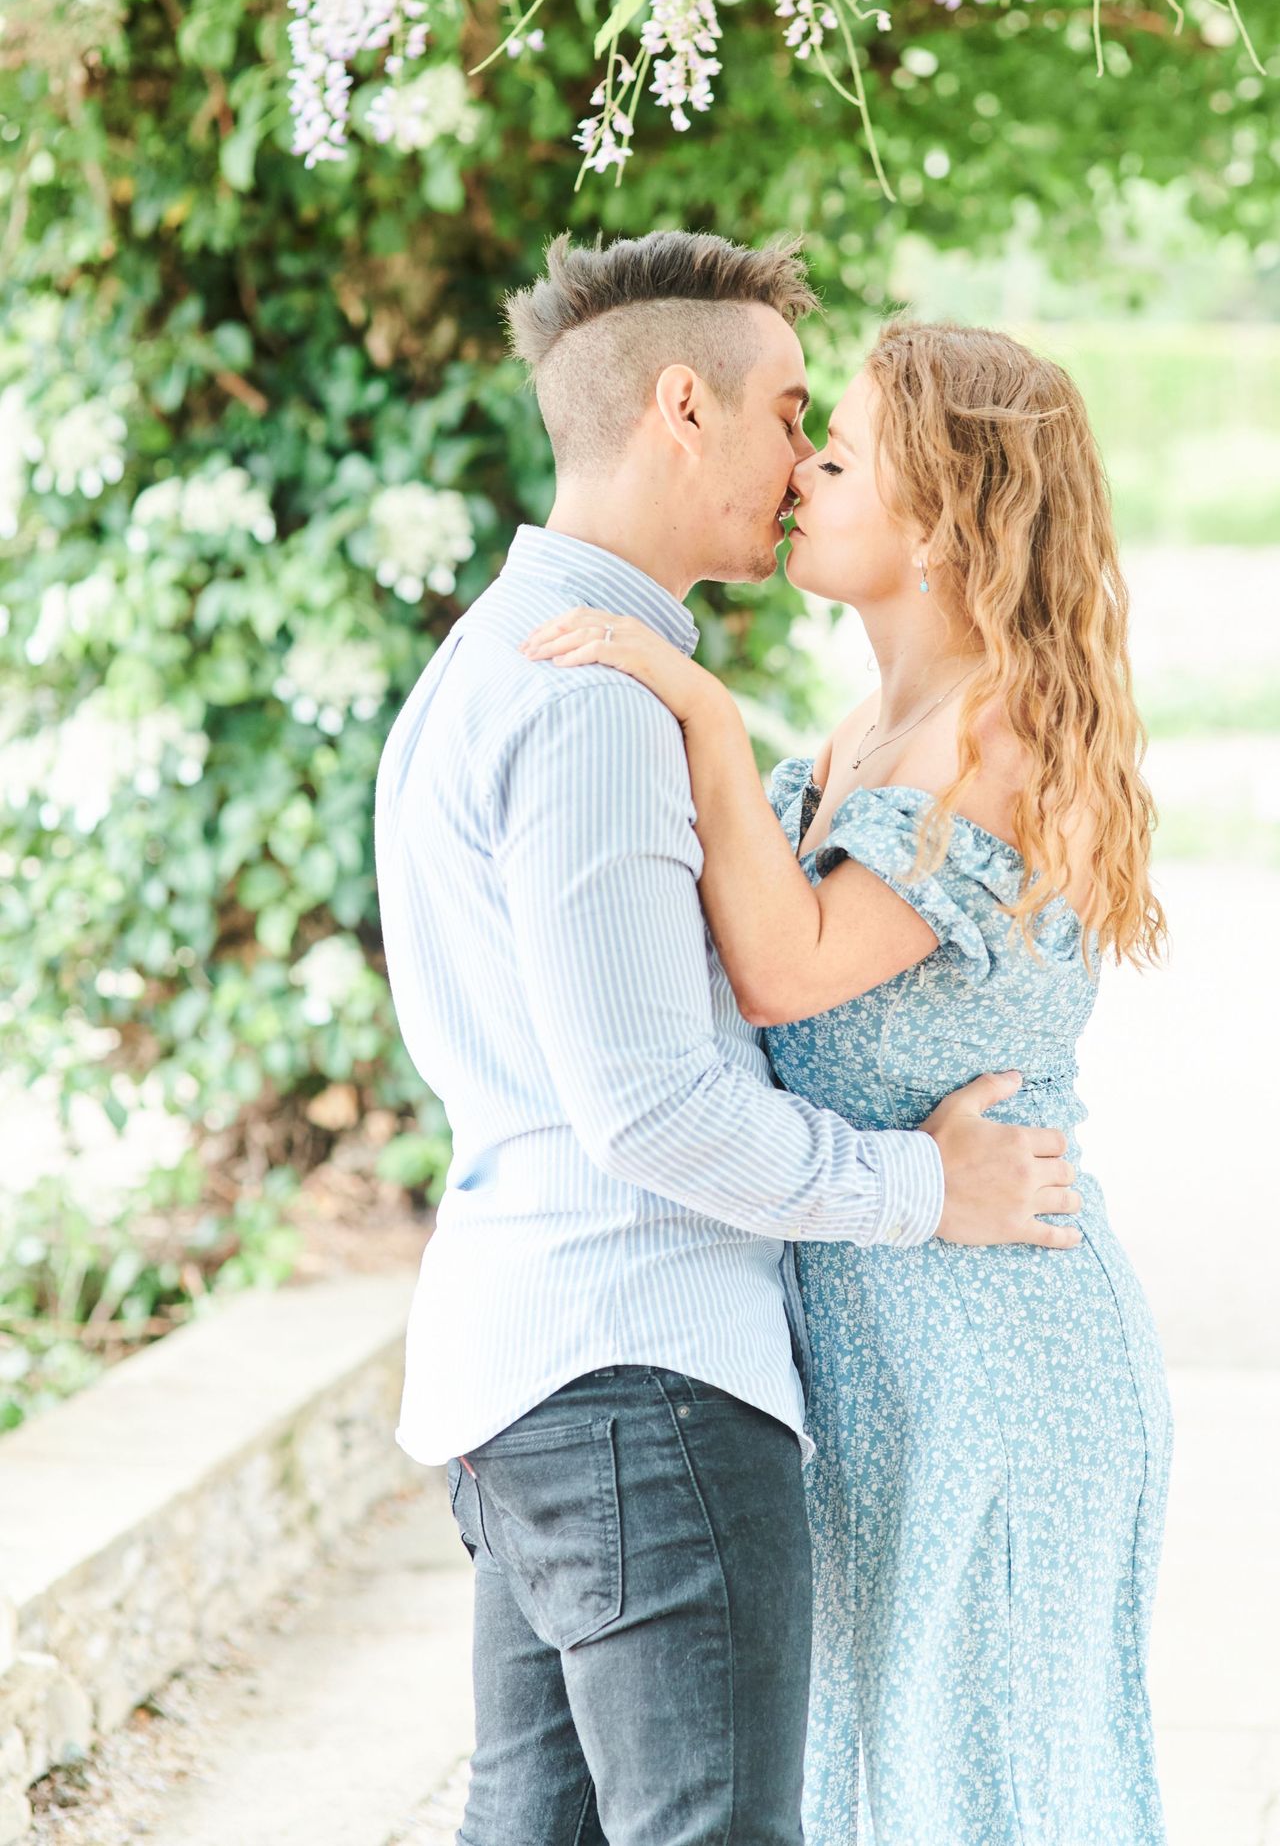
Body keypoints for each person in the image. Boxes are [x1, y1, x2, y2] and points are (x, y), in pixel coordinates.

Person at [372, 230, 1083, 1846]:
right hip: (638, 1375)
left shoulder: (495, 660)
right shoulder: (595, 702)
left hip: (533, 1366)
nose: (798, 458)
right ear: (681, 406)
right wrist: (924, 1187)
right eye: (788, 414)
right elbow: (654, 1112)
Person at [525, 316, 1173, 1843]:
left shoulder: (997, 732)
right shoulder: (862, 736)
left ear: (944, 514)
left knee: (984, 1781)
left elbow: (787, 967)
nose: (802, 468)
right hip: (873, 1334)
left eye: (843, 448)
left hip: (1001, 1351)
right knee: (880, 1778)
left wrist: (698, 711)